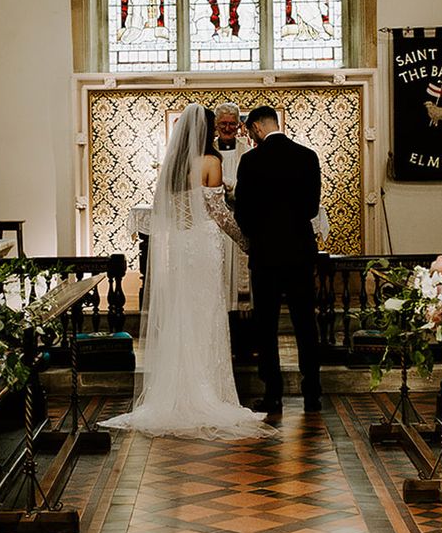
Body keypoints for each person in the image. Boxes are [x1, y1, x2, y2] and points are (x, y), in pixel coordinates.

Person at [100, 104, 274, 439]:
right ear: (205, 130)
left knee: (183, 314)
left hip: (180, 248)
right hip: (204, 246)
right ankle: (206, 390)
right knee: (205, 314)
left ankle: (177, 390)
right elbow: (219, 213)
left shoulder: (173, 168)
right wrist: (245, 240)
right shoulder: (211, 162)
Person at [234, 105, 322, 415]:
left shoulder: (251, 161)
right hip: (299, 251)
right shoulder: (307, 156)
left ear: (257, 127)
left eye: (249, 129)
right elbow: (312, 209)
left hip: (266, 254)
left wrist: (258, 231)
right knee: (305, 324)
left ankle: (273, 395)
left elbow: (242, 211)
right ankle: (312, 393)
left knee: (266, 326)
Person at [214, 102, 254, 360]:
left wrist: (234, 191)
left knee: (241, 288)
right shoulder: (207, 153)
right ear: (216, 127)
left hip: (240, 226)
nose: (228, 128)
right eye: (223, 124)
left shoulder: (247, 152)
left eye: (232, 124)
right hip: (216, 229)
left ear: (239, 125)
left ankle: (243, 344)